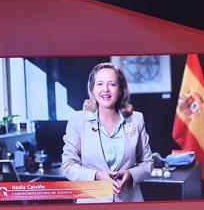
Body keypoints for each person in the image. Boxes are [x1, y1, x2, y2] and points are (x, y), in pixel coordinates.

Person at [62, 62, 153, 202]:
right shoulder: (78, 120)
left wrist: (130, 174)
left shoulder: (137, 119)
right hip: (91, 208)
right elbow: (68, 165)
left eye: (112, 84)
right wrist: (96, 175)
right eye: (99, 84)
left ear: (121, 89)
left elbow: (147, 163)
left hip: (130, 206)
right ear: (92, 89)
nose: (105, 89)